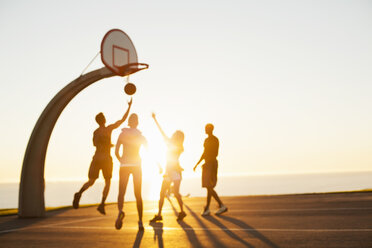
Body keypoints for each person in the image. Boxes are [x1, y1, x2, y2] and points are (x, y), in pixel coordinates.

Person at [73, 99, 133, 215]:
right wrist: (129, 107)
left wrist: (106, 144)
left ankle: (79, 193)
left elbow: (95, 144)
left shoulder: (96, 132)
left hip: (96, 158)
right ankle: (102, 204)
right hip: (105, 159)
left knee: (91, 181)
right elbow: (122, 120)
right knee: (108, 182)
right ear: (103, 120)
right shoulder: (108, 129)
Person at [150, 113, 187, 222]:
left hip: (172, 172)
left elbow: (161, 132)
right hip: (174, 172)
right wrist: (155, 119)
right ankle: (180, 211)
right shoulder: (179, 147)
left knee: (163, 193)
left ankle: (161, 214)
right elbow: (162, 133)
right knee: (175, 193)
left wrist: (155, 119)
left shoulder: (173, 145)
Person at [115, 113, 147, 231]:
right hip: (136, 165)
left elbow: (116, 151)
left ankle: (120, 212)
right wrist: (158, 165)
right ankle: (140, 221)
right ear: (137, 123)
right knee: (138, 194)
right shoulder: (140, 136)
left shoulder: (122, 134)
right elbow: (149, 150)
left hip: (124, 165)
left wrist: (122, 161)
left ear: (129, 122)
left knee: (121, 192)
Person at [193, 123, 227, 216]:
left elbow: (214, 153)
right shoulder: (206, 140)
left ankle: (220, 205)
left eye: (206, 128)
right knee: (209, 187)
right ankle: (208, 208)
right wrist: (197, 163)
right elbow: (204, 153)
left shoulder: (214, 140)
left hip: (211, 164)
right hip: (208, 164)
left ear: (210, 129)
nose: (205, 130)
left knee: (209, 186)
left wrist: (208, 163)